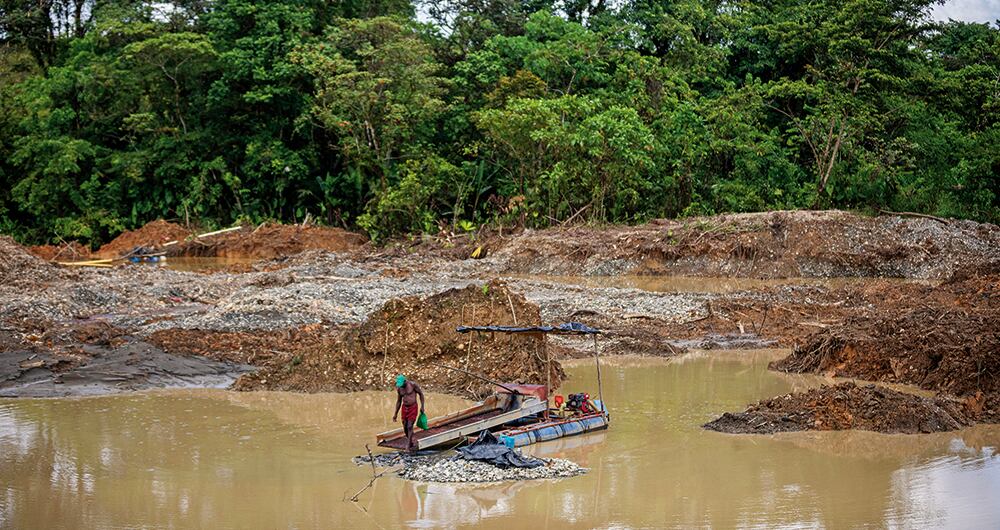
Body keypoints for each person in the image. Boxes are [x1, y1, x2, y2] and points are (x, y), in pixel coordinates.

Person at [392, 374, 425, 452]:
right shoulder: (399, 389)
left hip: (413, 407)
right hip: (404, 408)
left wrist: (422, 406)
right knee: (404, 425)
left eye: (402, 384)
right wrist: (395, 414)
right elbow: (399, 401)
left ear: (405, 381)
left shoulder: (412, 385)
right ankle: (410, 440)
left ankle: (408, 445)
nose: (401, 386)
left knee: (410, 426)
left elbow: (421, 394)